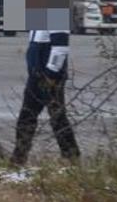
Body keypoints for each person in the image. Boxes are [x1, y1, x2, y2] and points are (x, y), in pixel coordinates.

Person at [11, 29, 81, 165]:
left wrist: (51, 74)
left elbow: (60, 48)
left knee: (56, 116)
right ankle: (19, 155)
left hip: (48, 78)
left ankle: (71, 155)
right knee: (28, 116)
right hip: (36, 76)